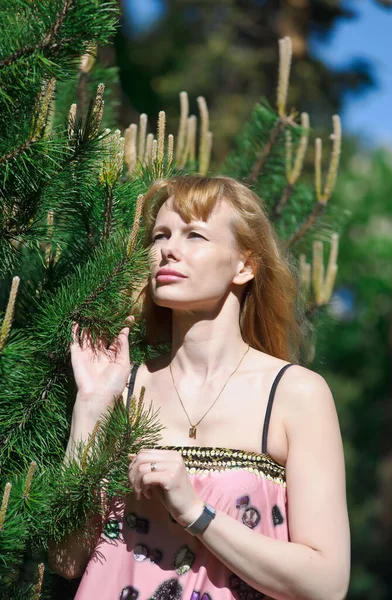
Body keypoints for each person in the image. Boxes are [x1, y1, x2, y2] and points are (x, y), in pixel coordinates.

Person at [48, 176, 351, 600]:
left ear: (245, 265)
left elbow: (327, 583)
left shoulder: (294, 394)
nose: (168, 249)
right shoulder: (122, 388)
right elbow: (65, 560)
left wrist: (194, 511)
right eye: (161, 235)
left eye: (195, 235)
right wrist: (91, 407)